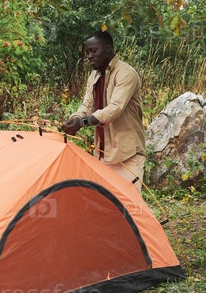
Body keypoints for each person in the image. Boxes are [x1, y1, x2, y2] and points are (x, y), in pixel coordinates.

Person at [60, 30, 146, 190]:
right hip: (102, 154)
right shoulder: (94, 76)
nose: (89, 56)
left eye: (93, 51)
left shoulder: (126, 73)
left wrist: (82, 122)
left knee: (128, 204)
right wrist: (75, 118)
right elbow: (87, 105)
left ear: (107, 48)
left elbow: (114, 109)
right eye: (87, 53)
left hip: (127, 155)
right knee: (104, 203)